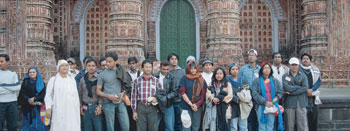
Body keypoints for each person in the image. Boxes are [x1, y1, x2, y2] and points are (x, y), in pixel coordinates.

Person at [96, 52, 130, 131]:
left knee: (126, 127)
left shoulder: (121, 72)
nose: (107, 64)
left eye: (110, 61)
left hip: (121, 102)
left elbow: (126, 86)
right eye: (106, 61)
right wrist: (108, 96)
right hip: (108, 103)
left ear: (116, 61)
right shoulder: (102, 74)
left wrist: (123, 93)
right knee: (110, 127)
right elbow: (98, 91)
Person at [45, 60, 81, 131]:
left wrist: (77, 107)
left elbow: (75, 95)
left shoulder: (71, 79)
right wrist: (48, 108)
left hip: (71, 109)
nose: (64, 67)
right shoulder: (53, 80)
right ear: (58, 67)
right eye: (62, 65)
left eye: (66, 65)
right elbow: (48, 95)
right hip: (59, 109)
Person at [251, 62, 284, 131]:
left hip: (272, 105)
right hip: (260, 105)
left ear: (271, 70)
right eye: (265, 68)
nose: (267, 70)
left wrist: (274, 100)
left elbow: (280, 92)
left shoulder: (275, 81)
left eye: (268, 68)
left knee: (270, 126)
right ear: (261, 70)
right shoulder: (256, 81)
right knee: (262, 126)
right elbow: (255, 94)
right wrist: (265, 102)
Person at [131, 59, 163, 131]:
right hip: (141, 107)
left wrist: (156, 99)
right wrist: (134, 111)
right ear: (142, 68)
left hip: (152, 107)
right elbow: (133, 97)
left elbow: (161, 94)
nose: (148, 69)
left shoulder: (156, 81)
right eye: (146, 67)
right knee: (141, 128)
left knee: (153, 128)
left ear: (152, 68)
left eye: (150, 67)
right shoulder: (136, 81)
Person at [178, 60, 207, 131]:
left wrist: (196, 105)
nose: (193, 70)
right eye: (191, 68)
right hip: (186, 106)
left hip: (197, 107)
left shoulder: (201, 79)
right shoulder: (184, 78)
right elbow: (182, 92)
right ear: (188, 69)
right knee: (186, 127)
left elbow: (203, 95)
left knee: (196, 126)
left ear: (197, 68)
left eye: (194, 68)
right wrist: (191, 104)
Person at [282, 57, 309, 131]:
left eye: (296, 65)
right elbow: (286, 87)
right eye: (292, 64)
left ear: (298, 65)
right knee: (289, 125)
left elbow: (305, 88)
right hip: (289, 103)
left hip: (301, 102)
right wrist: (298, 87)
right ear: (289, 65)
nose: (294, 66)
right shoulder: (285, 76)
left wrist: (291, 91)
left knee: (302, 124)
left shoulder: (303, 76)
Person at [78, 59, 103, 131]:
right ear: (86, 67)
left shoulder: (99, 78)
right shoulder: (82, 79)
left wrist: (100, 106)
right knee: (87, 128)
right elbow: (80, 94)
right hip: (85, 108)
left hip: (96, 107)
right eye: (89, 66)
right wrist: (80, 107)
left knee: (98, 128)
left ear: (96, 67)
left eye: (93, 66)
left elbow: (102, 94)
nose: (91, 67)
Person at [239, 49, 261, 131]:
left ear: (256, 57)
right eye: (249, 55)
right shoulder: (243, 69)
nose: (250, 57)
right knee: (248, 118)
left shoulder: (260, 69)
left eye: (252, 55)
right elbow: (240, 82)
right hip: (247, 97)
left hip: (258, 96)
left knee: (257, 118)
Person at [299, 53, 321, 131]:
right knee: (303, 118)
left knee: (313, 117)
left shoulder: (315, 69)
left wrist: (312, 89)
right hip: (302, 96)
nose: (305, 60)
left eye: (307, 58)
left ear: (310, 60)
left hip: (313, 95)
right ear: (301, 60)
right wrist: (305, 91)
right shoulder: (298, 70)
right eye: (304, 58)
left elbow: (318, 81)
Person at [153, 61, 177, 131]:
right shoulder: (154, 76)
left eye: (167, 69)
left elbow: (175, 92)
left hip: (168, 104)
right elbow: (151, 90)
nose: (166, 71)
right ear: (160, 68)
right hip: (156, 105)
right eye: (164, 69)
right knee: (154, 126)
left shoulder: (172, 77)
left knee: (169, 127)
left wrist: (164, 98)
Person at [0, 54, 21, 131]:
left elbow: (17, 87)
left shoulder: (13, 74)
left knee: (13, 126)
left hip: (12, 103)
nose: (0, 63)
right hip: (0, 103)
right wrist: (10, 88)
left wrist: (2, 85)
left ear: (8, 62)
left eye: (2, 61)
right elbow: (13, 87)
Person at [227, 62, 248, 131]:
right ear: (230, 71)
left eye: (236, 69)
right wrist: (237, 99)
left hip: (243, 105)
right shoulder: (227, 80)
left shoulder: (243, 79)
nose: (235, 71)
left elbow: (247, 90)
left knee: (243, 126)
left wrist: (243, 98)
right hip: (233, 105)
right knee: (233, 126)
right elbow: (227, 93)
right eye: (233, 69)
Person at [168, 53, 186, 131]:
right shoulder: (167, 72)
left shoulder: (183, 71)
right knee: (170, 122)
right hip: (169, 101)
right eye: (172, 59)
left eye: (175, 59)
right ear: (169, 61)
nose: (174, 61)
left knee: (179, 121)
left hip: (180, 100)